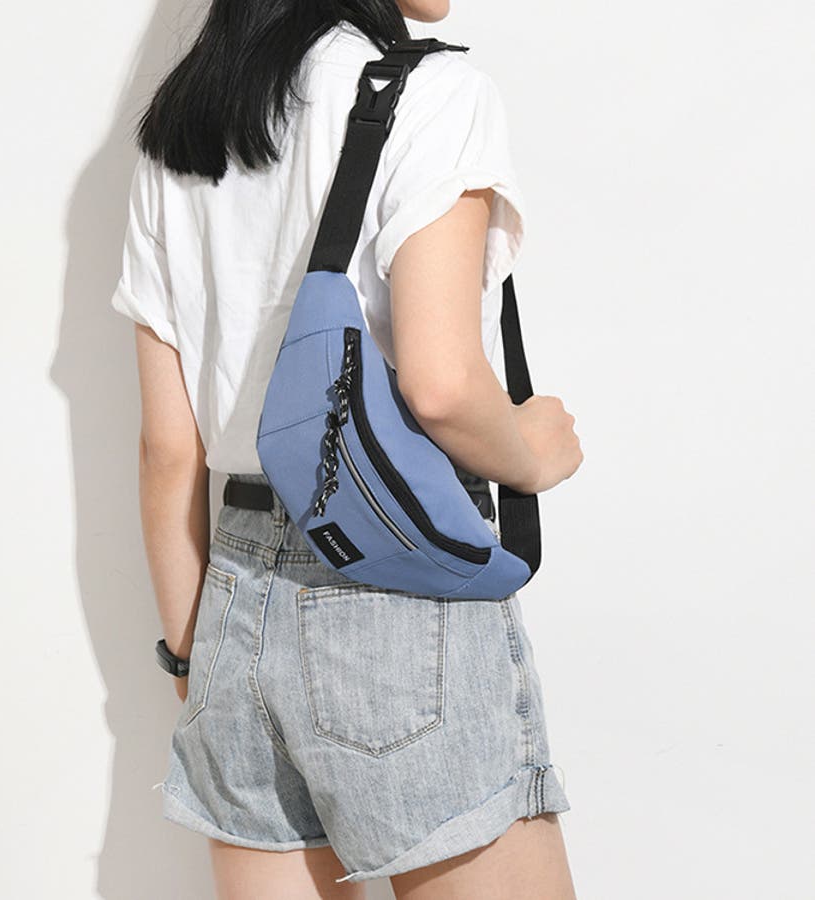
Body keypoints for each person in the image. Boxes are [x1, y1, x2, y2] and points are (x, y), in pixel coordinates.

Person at [111, 1, 583, 896]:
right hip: (394, 581)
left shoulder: (182, 134)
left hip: (230, 606)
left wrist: (190, 656)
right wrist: (530, 454)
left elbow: (168, 450)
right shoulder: (434, 95)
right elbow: (440, 386)